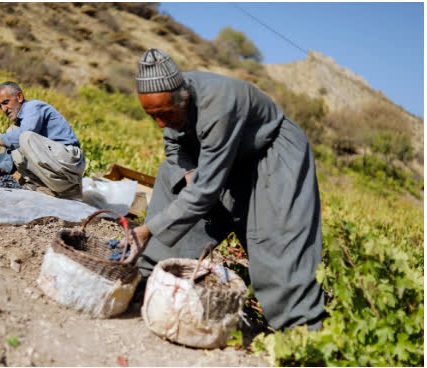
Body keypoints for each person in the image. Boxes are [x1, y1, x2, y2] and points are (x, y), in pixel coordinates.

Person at [126, 48, 325, 331]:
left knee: (276, 241)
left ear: (183, 98)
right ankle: (149, 278)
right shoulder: (172, 99)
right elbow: (174, 146)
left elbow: (206, 192)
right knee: (173, 178)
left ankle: (303, 334)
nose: (159, 123)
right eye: (151, 115)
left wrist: (146, 230)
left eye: (164, 114)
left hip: (270, 157)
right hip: (227, 157)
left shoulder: (218, 105)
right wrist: (189, 174)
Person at [0, 81, 86, 198]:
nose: (4, 109)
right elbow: (12, 148)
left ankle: (69, 188)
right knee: (12, 133)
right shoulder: (19, 124)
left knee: (25, 137)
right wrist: (3, 169)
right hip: (56, 160)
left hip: (69, 158)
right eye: (0, 106)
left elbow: (24, 134)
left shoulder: (33, 107)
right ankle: (46, 187)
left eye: (6, 102)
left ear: (19, 97)